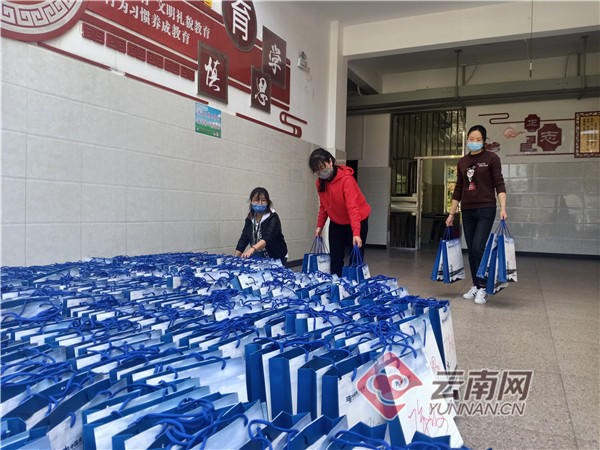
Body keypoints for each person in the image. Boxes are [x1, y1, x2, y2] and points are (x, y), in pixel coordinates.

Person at [446, 125, 507, 305]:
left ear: (484, 141)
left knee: (479, 246)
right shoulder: (463, 162)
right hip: (467, 209)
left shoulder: (492, 158)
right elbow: (458, 188)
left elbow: (499, 184)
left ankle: (484, 287)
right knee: (471, 249)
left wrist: (503, 208)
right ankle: (476, 285)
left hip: (486, 208)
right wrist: (451, 213)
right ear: (467, 140)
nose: (474, 142)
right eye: (471, 139)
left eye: (478, 139)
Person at [308, 148, 371, 277]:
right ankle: (336, 284)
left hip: (357, 219)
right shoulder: (320, 183)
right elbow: (324, 206)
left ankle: (354, 285)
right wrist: (320, 226)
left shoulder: (346, 179)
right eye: (317, 171)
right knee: (335, 257)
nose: (321, 173)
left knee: (355, 259)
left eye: (322, 168)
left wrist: (356, 233)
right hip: (337, 221)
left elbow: (353, 207)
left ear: (330, 162)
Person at [235, 187, 288, 265]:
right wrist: (235, 258)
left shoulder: (273, 217)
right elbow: (244, 238)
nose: (260, 203)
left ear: (268, 202)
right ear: (251, 202)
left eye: (263, 200)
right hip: (259, 254)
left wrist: (252, 249)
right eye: (256, 200)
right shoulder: (250, 218)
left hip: (276, 255)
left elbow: (268, 238)